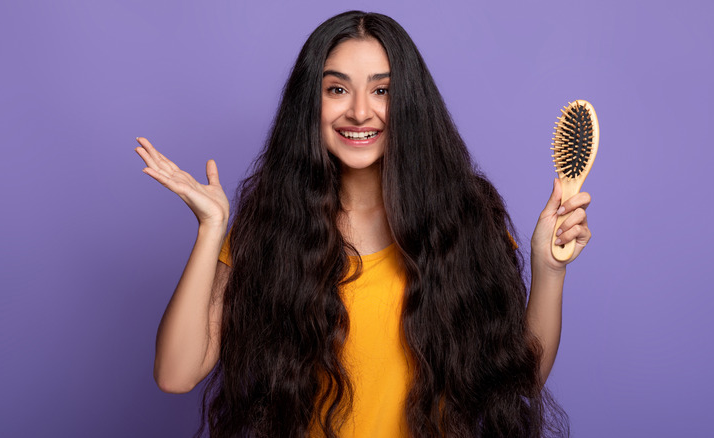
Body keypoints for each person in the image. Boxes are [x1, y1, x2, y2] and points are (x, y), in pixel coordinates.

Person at [135, 10, 591, 438]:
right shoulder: (271, 228)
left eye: (382, 90)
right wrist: (211, 230)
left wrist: (549, 269)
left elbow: (520, 379)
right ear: (309, 102)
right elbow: (176, 374)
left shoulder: (466, 217)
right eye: (336, 89)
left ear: (409, 102)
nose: (358, 111)